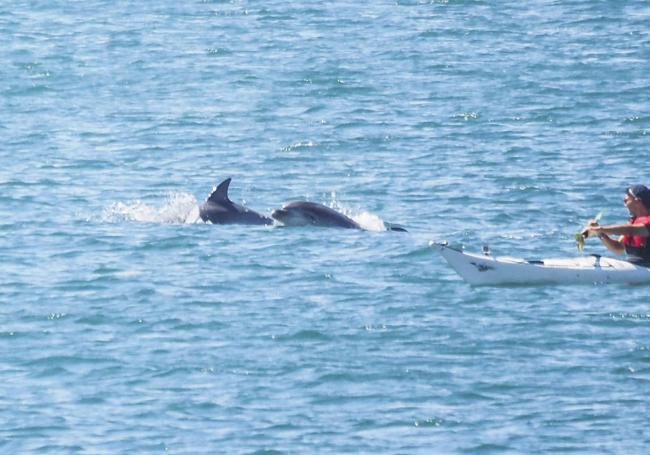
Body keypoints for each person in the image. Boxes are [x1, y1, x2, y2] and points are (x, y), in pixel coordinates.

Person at [584, 184, 650, 264]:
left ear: (637, 201)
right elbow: (617, 247)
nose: (624, 204)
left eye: (626, 200)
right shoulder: (634, 221)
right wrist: (600, 233)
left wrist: (600, 229)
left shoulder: (642, 224)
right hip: (633, 268)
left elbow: (630, 230)